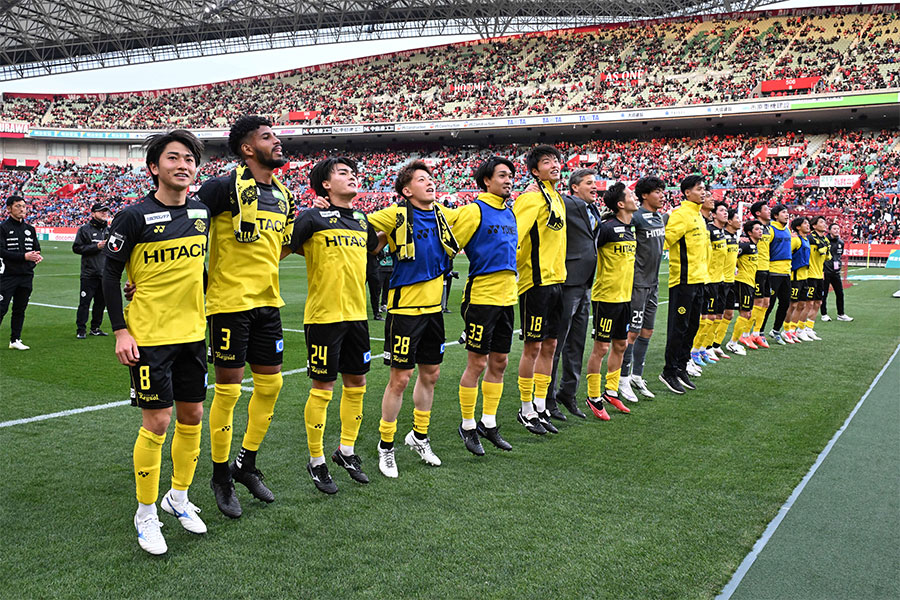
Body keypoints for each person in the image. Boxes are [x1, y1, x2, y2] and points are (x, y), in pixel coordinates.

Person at [101, 130, 209, 555]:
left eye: (189, 159)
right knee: (157, 422)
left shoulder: (201, 213)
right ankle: (146, 513)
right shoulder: (134, 216)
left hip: (192, 335)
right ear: (153, 168)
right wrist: (121, 330)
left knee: (193, 415)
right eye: (173, 158)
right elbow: (110, 273)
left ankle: (178, 497)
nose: (183, 165)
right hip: (149, 337)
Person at [198, 115, 295, 518]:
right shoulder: (222, 187)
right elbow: (185, 228)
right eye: (267, 136)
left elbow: (282, 248)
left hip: (268, 304)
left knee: (271, 388)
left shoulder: (285, 195)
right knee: (230, 392)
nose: (278, 141)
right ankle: (220, 475)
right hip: (229, 304)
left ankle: (246, 463)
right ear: (247, 148)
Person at [290, 157, 384, 494]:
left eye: (353, 172)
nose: (352, 176)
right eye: (343, 173)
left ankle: (346, 451)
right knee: (324, 388)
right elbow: (281, 250)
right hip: (323, 317)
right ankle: (316, 461)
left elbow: (376, 246)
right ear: (325, 185)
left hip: (357, 316)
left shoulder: (361, 219)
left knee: (357, 383)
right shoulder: (311, 218)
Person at [367, 160, 458, 478]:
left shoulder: (443, 214)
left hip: (434, 311)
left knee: (431, 375)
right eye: (422, 180)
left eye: (431, 178)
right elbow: (359, 224)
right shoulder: (394, 214)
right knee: (400, 380)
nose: (430, 182)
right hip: (405, 311)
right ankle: (386, 446)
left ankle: (419, 437)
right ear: (407, 191)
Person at [452, 156, 519, 455]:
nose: (508, 180)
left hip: (508, 297)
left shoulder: (510, 212)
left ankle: (488, 423)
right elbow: (450, 247)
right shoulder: (474, 210)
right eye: (502, 175)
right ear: (486, 181)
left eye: (510, 176)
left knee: (500, 362)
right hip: (481, 297)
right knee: (477, 363)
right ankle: (467, 425)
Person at [514, 144, 567, 435]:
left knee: (550, 346)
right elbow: (517, 238)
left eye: (556, 160)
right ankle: (525, 409)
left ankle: (540, 405)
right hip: (536, 284)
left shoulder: (556, 197)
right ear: (535, 171)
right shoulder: (530, 198)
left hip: (557, 282)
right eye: (547, 162)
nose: (555, 165)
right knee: (532, 347)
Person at [546, 168, 600, 420]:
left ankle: (568, 393)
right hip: (567, 282)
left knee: (577, 342)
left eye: (595, 182)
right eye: (589, 183)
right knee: (556, 343)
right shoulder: (564, 202)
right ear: (574, 187)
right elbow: (548, 200)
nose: (595, 186)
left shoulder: (593, 209)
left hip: (585, 283)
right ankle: (546, 398)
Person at [584, 183, 637, 420]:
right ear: (620, 204)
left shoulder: (632, 228)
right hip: (606, 298)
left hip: (625, 298)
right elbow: (589, 254)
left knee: (621, 345)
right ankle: (593, 396)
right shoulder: (606, 229)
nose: (634, 198)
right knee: (601, 348)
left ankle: (611, 391)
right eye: (631, 195)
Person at [659, 175, 708, 395]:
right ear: (687, 192)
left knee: (692, 326)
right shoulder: (681, 215)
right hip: (683, 282)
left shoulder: (699, 216)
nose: (704, 192)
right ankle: (669, 370)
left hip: (700, 281)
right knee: (678, 327)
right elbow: (665, 241)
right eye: (699, 189)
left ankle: (681, 366)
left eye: (704, 188)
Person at [620, 176, 666, 401]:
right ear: (645, 195)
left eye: (662, 191)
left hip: (654, 283)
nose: (662, 195)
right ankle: (623, 378)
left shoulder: (659, 217)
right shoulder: (636, 217)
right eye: (657, 191)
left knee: (647, 331)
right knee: (632, 331)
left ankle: (637, 375)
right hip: (637, 283)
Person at [0, 195, 42, 350]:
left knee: (20, 309)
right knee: (1, 308)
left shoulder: (30, 229)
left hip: (26, 276)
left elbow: (36, 248)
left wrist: (37, 256)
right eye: (18, 206)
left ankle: (15, 340)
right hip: (7, 276)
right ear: (9, 209)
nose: (22, 209)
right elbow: (1, 251)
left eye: (23, 206)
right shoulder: (3, 228)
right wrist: (24, 256)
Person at [73, 203, 110, 338]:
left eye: (106, 211)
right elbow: (76, 248)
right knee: (85, 302)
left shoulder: (109, 230)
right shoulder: (84, 230)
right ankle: (81, 330)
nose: (104, 213)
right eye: (101, 211)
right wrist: (96, 246)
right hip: (89, 274)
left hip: (104, 273)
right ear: (93, 213)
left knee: (101, 303)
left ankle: (95, 328)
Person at [726, 220, 762, 354]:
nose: (760, 231)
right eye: (757, 229)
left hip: (750, 283)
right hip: (743, 282)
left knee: (748, 313)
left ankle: (734, 341)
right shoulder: (745, 246)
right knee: (745, 313)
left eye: (760, 229)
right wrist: (734, 267)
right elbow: (732, 254)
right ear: (749, 232)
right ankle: (733, 343)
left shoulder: (754, 246)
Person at [763, 204, 792, 344]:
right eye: (783, 213)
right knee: (769, 304)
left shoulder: (787, 230)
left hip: (786, 273)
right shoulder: (771, 230)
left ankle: (775, 330)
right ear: (776, 216)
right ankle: (759, 331)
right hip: (773, 272)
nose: (787, 215)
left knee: (785, 303)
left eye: (787, 213)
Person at [713, 208, 741, 356]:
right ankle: (706, 346)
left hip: (731, 281)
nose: (740, 220)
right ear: (729, 221)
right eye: (737, 218)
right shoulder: (720, 235)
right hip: (720, 281)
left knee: (729, 314)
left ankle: (716, 344)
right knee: (715, 315)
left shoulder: (735, 237)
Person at [747, 200, 773, 349]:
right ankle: (745, 334)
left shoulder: (768, 228)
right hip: (757, 269)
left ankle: (756, 334)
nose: (769, 211)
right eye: (766, 209)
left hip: (767, 268)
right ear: (758, 213)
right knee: (756, 303)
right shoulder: (754, 227)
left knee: (766, 303)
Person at [783, 217, 812, 342]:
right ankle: (786, 330)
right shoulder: (796, 240)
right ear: (798, 227)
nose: (808, 225)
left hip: (805, 277)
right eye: (805, 223)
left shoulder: (806, 240)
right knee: (793, 304)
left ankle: (793, 330)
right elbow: (786, 253)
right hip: (795, 277)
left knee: (802, 304)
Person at [804, 216, 831, 340]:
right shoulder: (809, 239)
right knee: (808, 303)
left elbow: (827, 257)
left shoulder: (825, 240)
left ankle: (809, 328)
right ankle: (801, 328)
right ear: (814, 226)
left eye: (825, 222)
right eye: (821, 222)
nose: (824, 224)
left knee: (818, 303)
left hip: (820, 275)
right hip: (809, 275)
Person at [821, 223, 852, 322]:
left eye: (838, 228)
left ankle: (841, 314)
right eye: (834, 228)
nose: (836, 230)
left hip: (836, 272)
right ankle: (824, 314)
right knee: (824, 294)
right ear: (829, 230)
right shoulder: (824, 241)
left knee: (840, 293)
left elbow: (839, 256)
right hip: (825, 272)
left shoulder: (841, 242)